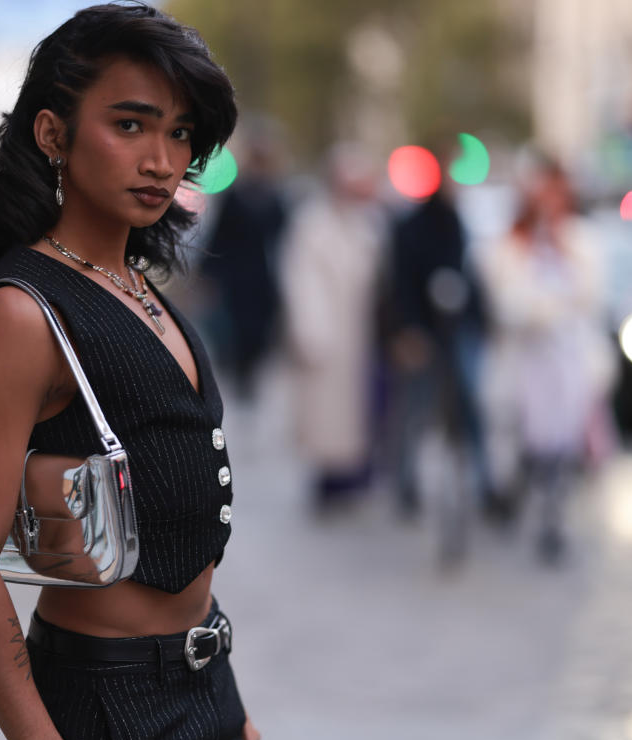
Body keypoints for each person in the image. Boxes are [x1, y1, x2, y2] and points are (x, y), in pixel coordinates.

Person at [0, 5, 262, 740]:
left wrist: (228, 702)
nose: (162, 160)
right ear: (52, 133)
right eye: (130, 124)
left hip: (206, 691)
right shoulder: (18, 314)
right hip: (106, 716)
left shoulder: (143, 289)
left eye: (181, 134)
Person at [476, 154, 614, 562]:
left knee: (563, 443)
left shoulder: (581, 242)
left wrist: (560, 263)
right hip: (523, 361)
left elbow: (589, 297)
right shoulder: (507, 246)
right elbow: (511, 305)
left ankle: (551, 518)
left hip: (568, 362)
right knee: (522, 438)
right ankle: (514, 498)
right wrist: (551, 305)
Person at [382, 154, 496, 519]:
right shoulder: (411, 227)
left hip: (456, 331)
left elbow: (470, 277)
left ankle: (483, 483)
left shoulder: (458, 223)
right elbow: (400, 283)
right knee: (415, 410)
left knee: (469, 407)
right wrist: (407, 330)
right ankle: (406, 482)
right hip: (422, 333)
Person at [281, 145, 384, 512]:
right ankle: (330, 485)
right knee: (329, 418)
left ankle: (355, 481)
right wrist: (311, 331)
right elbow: (301, 282)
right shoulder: (312, 224)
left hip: (361, 334)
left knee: (358, 415)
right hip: (329, 335)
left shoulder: (368, 223)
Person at [198, 132, 287, 401]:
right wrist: (209, 271)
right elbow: (220, 235)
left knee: (258, 332)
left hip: (262, 279)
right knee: (234, 330)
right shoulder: (236, 196)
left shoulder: (276, 198)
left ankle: (250, 373)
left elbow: (283, 239)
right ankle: (239, 375)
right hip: (236, 277)